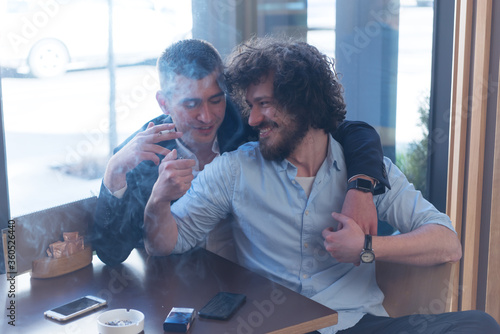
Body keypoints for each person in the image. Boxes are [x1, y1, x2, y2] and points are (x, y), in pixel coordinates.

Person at [143, 37, 500, 333]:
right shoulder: (234, 170)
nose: (252, 120)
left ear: (302, 101)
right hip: (283, 326)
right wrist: (158, 202)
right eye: (250, 106)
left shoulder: (367, 171)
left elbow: (447, 243)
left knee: (480, 324)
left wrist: (366, 247)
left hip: (359, 323)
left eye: (263, 104)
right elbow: (168, 243)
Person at [91, 39, 389, 267]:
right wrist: (114, 171)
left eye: (216, 100)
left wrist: (361, 190)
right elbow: (111, 254)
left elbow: (351, 131)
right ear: (164, 104)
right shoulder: (141, 156)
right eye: (191, 104)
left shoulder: (252, 125)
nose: (207, 117)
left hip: (249, 286)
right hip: (174, 289)